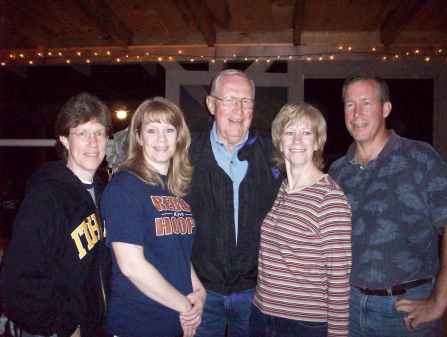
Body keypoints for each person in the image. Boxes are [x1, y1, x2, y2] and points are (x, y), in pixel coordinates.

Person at [329, 76, 447, 337]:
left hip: (405, 310)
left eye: (366, 103)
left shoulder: (420, 158)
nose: (357, 113)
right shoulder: (338, 171)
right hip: (347, 308)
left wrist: (440, 300)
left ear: (385, 109)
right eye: (350, 104)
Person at [0, 92, 112, 337]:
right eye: (82, 133)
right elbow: (17, 283)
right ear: (64, 140)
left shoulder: (105, 193)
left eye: (99, 133)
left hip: (98, 325)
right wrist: (64, 326)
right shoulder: (45, 198)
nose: (93, 143)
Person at [100, 97, 205, 337]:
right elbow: (131, 266)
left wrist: (199, 291)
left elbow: (176, 250)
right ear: (139, 137)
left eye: (169, 130)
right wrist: (185, 306)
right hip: (138, 323)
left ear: (179, 137)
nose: (161, 139)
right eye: (152, 130)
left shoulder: (175, 189)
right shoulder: (125, 187)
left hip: (175, 321)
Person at [189, 69, 283, 337]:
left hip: (257, 292)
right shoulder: (186, 154)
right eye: (229, 99)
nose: (239, 110)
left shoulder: (274, 155)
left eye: (246, 101)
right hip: (200, 291)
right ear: (211, 104)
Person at [249, 103, 352, 337]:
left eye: (306, 133)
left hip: (303, 324)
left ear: (317, 142)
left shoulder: (330, 197)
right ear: (279, 142)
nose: (297, 140)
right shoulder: (281, 189)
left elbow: (339, 277)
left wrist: (337, 334)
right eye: (289, 132)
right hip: (261, 313)